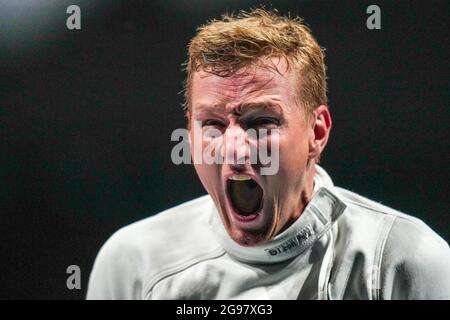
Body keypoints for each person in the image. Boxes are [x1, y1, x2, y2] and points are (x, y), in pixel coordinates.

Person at [86, 9, 450, 300]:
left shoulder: (403, 261)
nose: (233, 148)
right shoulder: (133, 263)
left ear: (316, 132)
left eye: (261, 121)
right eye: (211, 124)